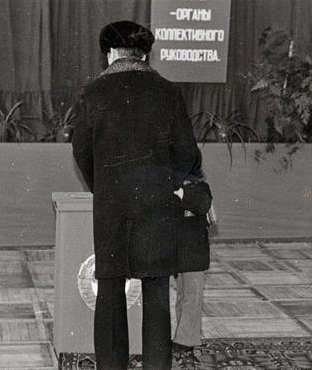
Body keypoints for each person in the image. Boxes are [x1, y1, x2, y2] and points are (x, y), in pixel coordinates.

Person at [72, 20, 201, 370]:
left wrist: (105, 187)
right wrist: (164, 184)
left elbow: (81, 151)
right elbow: (188, 154)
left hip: (112, 206)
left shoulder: (93, 92)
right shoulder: (168, 91)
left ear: (111, 53)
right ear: (145, 54)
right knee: (156, 292)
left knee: (110, 290)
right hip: (157, 205)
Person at [172, 168, 213, 368]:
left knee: (192, 296)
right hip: (178, 250)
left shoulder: (201, 188)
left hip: (194, 252)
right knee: (183, 296)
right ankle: (184, 337)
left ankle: (185, 341)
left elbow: (203, 204)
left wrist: (181, 193)